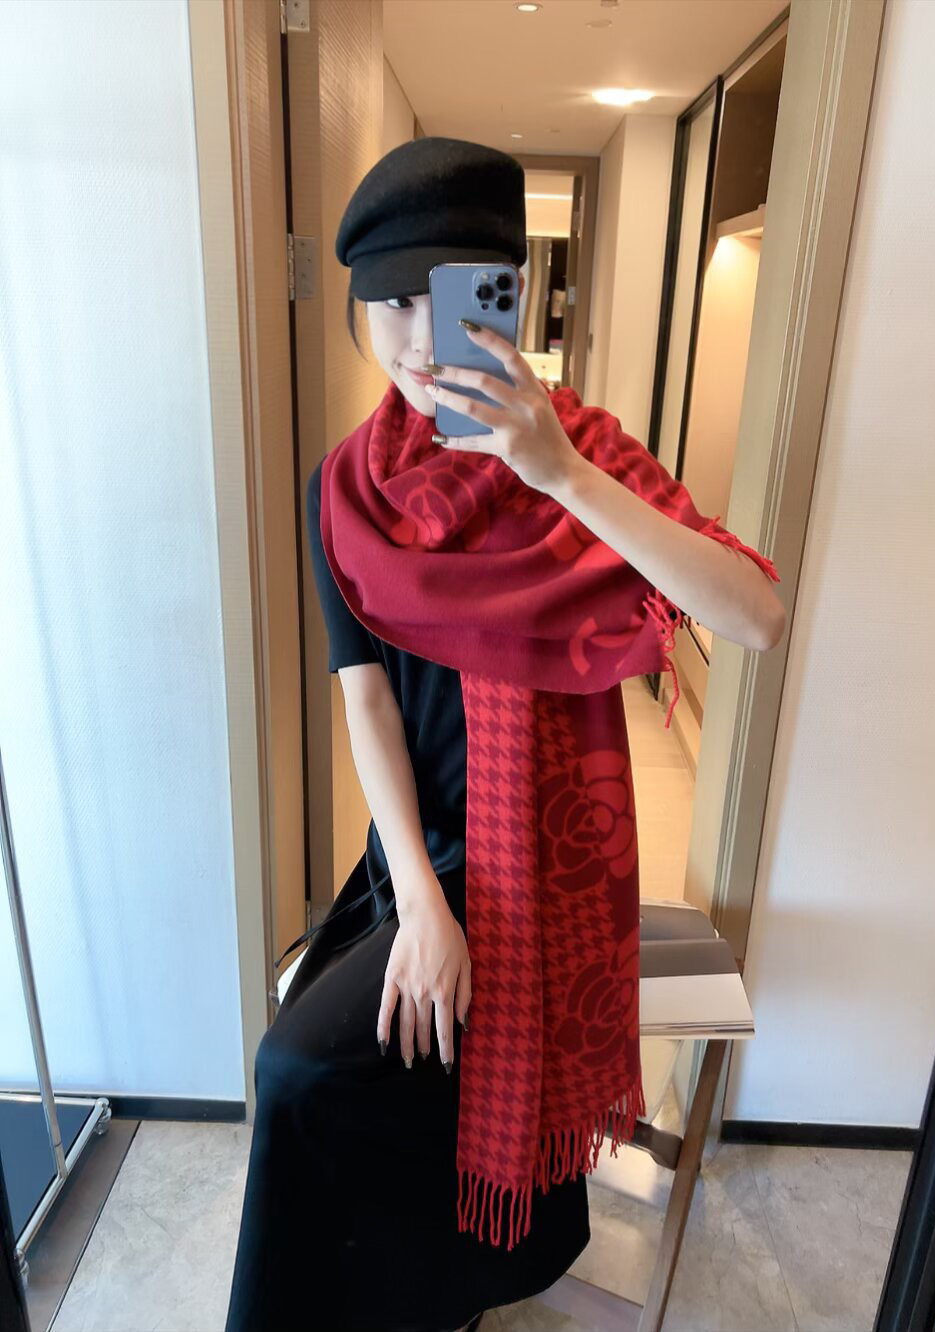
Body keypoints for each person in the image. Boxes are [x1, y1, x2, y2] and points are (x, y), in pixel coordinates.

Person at [224, 137, 783, 1332]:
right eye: (390, 305)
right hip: (418, 858)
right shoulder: (347, 488)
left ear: (506, 297)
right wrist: (425, 909)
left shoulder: (583, 449)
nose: (419, 342)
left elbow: (755, 615)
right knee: (309, 1067)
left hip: (548, 872)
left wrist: (562, 475)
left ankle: (448, 1286)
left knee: (315, 1070)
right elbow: (365, 697)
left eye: (449, 300)